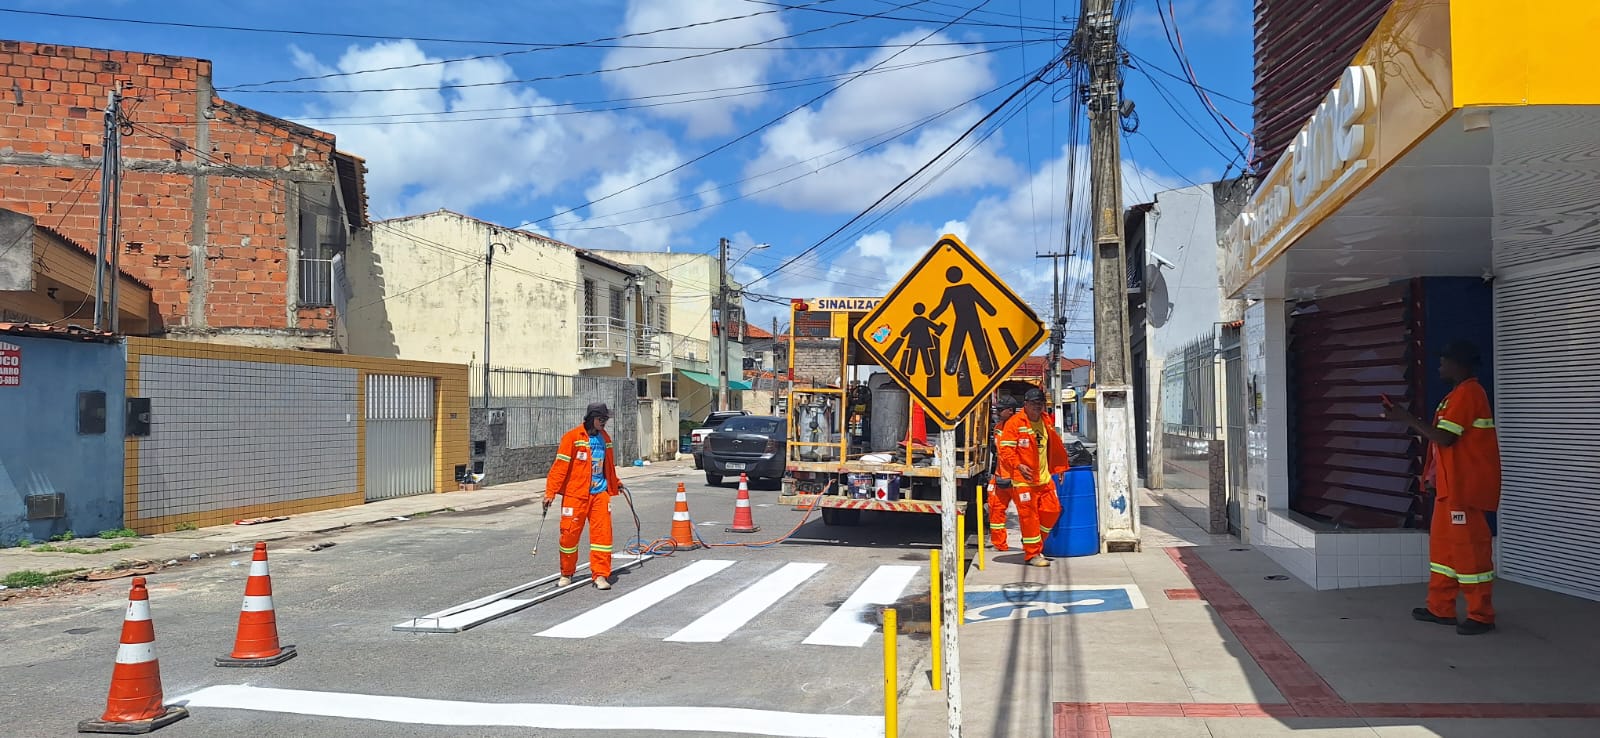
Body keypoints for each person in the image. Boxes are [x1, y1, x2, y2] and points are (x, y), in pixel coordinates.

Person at [1380, 340, 1500, 635]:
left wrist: (1405, 418)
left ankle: (1480, 615)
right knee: (1444, 554)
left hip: (1464, 492)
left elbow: (1445, 439)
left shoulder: (1469, 394)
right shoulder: (1456, 395)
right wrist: (1433, 479)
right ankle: (1440, 608)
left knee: (1470, 553)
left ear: (1459, 365)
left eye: (1444, 361)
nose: (1439, 367)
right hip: (1449, 490)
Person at [544, 402, 623, 590]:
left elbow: (608, 466)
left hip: (600, 495)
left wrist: (615, 482)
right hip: (575, 496)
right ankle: (567, 573)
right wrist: (550, 493)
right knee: (569, 536)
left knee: (603, 536)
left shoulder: (606, 439)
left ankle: (601, 575)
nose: (604, 422)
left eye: (606, 419)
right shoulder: (572, 438)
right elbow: (559, 468)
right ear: (591, 419)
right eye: (601, 419)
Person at [995, 387, 1069, 566]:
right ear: (1025, 404)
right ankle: (1032, 554)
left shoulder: (1045, 420)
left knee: (1052, 511)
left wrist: (1058, 468)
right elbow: (1005, 450)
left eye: (1040, 403)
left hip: (1044, 479)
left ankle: (1033, 543)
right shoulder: (1015, 423)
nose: (1038, 406)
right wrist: (1018, 465)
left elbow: (1054, 446)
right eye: (1034, 403)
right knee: (1029, 517)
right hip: (1023, 481)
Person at [986, 394, 1021, 551]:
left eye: (1001, 410)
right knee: (995, 509)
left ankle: (1032, 547)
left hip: (1018, 478)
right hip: (1001, 476)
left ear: (1010, 411)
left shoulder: (1021, 427)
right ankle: (999, 544)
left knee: (1027, 513)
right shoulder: (998, 427)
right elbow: (997, 452)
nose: (998, 413)